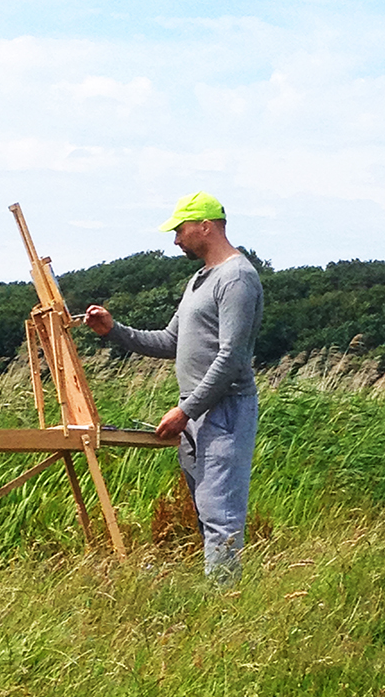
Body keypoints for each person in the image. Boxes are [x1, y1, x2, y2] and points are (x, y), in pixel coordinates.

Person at [85, 192, 263, 582]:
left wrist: (186, 411)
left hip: (225, 411)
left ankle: (224, 601)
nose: (176, 240)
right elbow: (170, 341)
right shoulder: (198, 280)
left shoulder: (237, 278)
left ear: (206, 226)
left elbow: (232, 357)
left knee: (220, 515)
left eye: (180, 230)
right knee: (206, 512)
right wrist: (114, 331)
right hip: (197, 412)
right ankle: (219, 593)